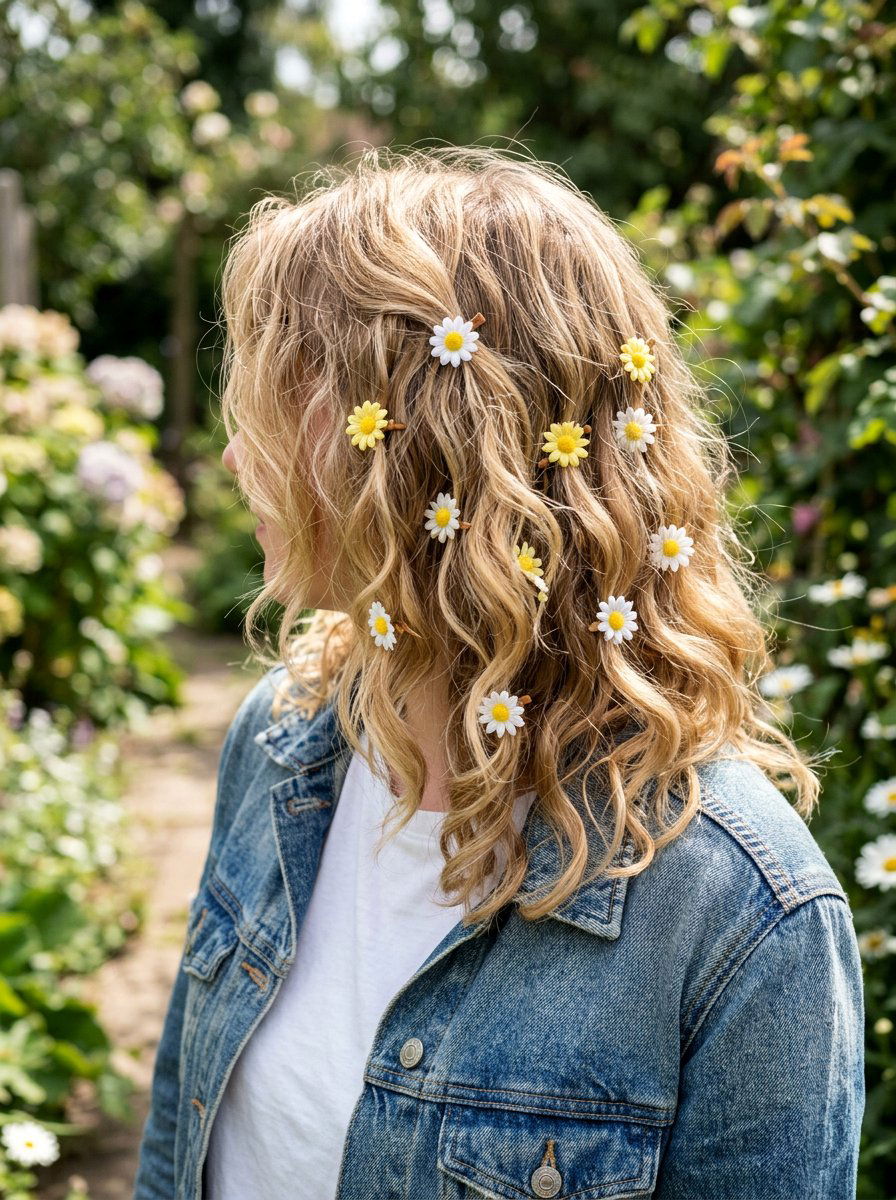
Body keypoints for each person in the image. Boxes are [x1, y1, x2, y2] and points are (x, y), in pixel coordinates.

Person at [133, 144, 865, 1200]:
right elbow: (178, 1140)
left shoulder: (736, 914)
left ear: (431, 450)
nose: (239, 456)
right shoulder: (284, 738)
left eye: (282, 398)